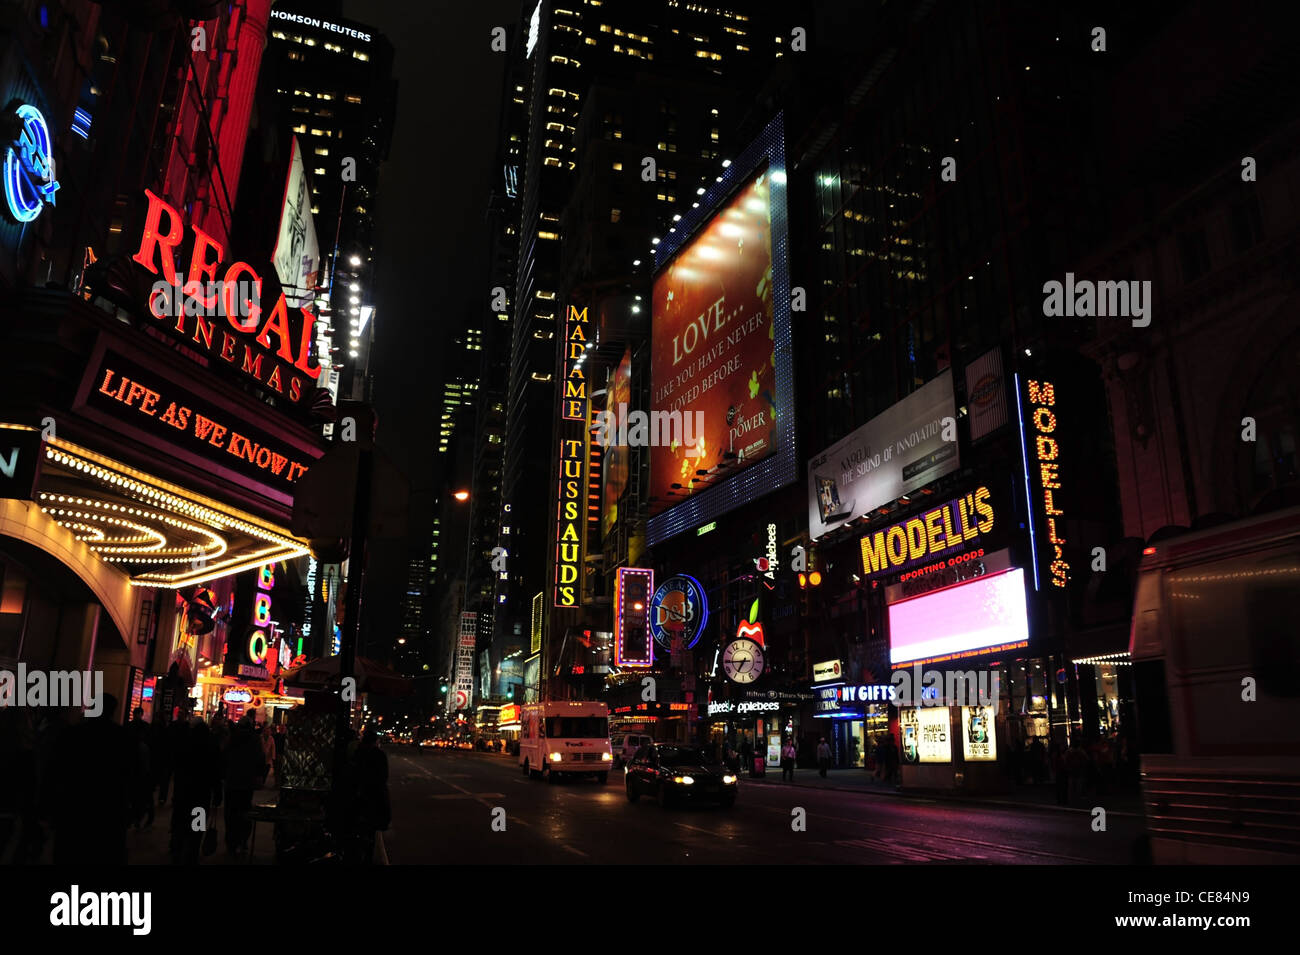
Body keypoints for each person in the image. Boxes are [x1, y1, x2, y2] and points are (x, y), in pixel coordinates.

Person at [222, 714, 264, 856]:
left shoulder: (232, 738)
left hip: (232, 782)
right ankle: (243, 840)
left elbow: (223, 757)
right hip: (247, 783)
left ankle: (231, 842)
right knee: (245, 812)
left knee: (230, 814)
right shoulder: (255, 740)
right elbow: (260, 760)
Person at [350, 728, 390, 864]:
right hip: (373, 797)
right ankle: (366, 856)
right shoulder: (379, 755)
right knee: (371, 830)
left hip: (358, 795)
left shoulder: (357, 753)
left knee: (358, 828)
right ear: (375, 741)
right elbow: (383, 777)